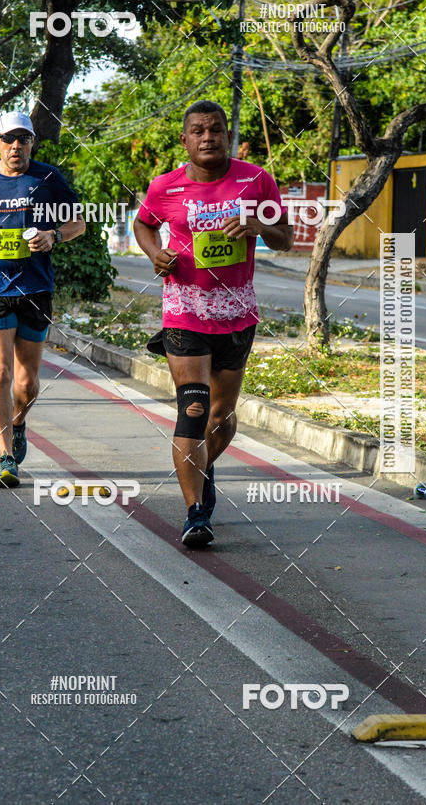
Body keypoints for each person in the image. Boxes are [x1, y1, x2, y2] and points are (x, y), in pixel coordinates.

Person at [134, 100, 293, 547]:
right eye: (198, 131)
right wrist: (154, 253)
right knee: (195, 408)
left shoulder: (256, 181)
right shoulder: (165, 186)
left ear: (229, 136)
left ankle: (202, 466)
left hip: (238, 313)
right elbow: (143, 224)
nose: (208, 138)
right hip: (184, 311)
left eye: (216, 130)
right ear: (185, 140)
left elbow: (286, 239)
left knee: (221, 417)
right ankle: (195, 513)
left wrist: (257, 226)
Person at [0, 111, 86, 488]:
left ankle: (19, 422)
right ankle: (6, 457)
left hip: (35, 287)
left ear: (32, 142)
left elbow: (77, 221)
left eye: (23, 139)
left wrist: (53, 236)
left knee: (26, 383)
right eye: (9, 139)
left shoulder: (48, 177)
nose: (16, 146)